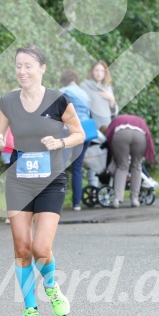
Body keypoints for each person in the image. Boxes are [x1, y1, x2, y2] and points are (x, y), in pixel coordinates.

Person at [0, 45, 84, 316]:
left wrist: (61, 142)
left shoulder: (58, 100)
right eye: (18, 65)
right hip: (19, 180)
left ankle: (52, 287)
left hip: (51, 180)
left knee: (41, 247)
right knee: (21, 247)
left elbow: (79, 133)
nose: (22, 71)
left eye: (28, 65)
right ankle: (31, 310)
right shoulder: (7, 101)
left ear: (42, 69)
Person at [103, 114, 156, 208]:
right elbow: (148, 136)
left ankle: (117, 199)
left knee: (122, 166)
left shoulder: (117, 120)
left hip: (120, 135)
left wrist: (112, 151)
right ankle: (135, 199)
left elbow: (109, 135)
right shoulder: (140, 121)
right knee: (137, 166)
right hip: (140, 136)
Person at [79, 60, 117, 187]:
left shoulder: (108, 88)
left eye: (102, 71)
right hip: (93, 127)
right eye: (96, 70)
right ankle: (93, 187)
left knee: (108, 157)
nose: (99, 73)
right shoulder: (85, 86)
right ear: (91, 72)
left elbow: (114, 111)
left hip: (107, 127)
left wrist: (111, 99)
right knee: (93, 157)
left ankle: (107, 187)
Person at [59, 70, 91, 211]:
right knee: (77, 167)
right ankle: (76, 204)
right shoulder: (85, 93)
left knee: (61, 167)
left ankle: (57, 202)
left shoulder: (62, 91)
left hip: (68, 131)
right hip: (84, 132)